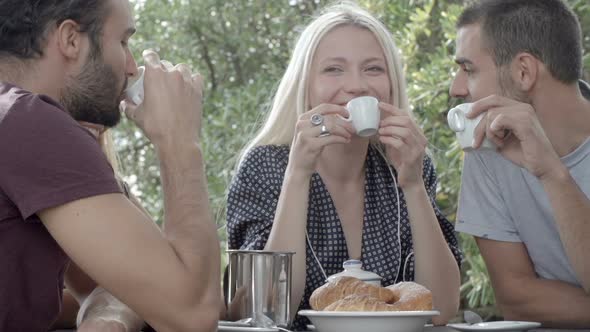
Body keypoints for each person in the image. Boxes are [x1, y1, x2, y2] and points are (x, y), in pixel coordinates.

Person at [226, 3, 462, 330]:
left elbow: (443, 307)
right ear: (305, 86)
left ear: (392, 85)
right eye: (334, 69)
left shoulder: (406, 165)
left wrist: (413, 185)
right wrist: (298, 175)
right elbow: (262, 313)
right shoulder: (266, 165)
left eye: (373, 69)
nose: (356, 85)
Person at [0, 1, 221, 331]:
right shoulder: (30, 122)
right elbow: (192, 313)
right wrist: (179, 141)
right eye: (122, 41)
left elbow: (129, 288)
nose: (131, 67)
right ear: (71, 39)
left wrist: (108, 317)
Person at [451, 0, 590, 328]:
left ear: (524, 71)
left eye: (468, 69)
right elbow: (517, 298)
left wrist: (552, 173)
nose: (456, 88)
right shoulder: (487, 146)